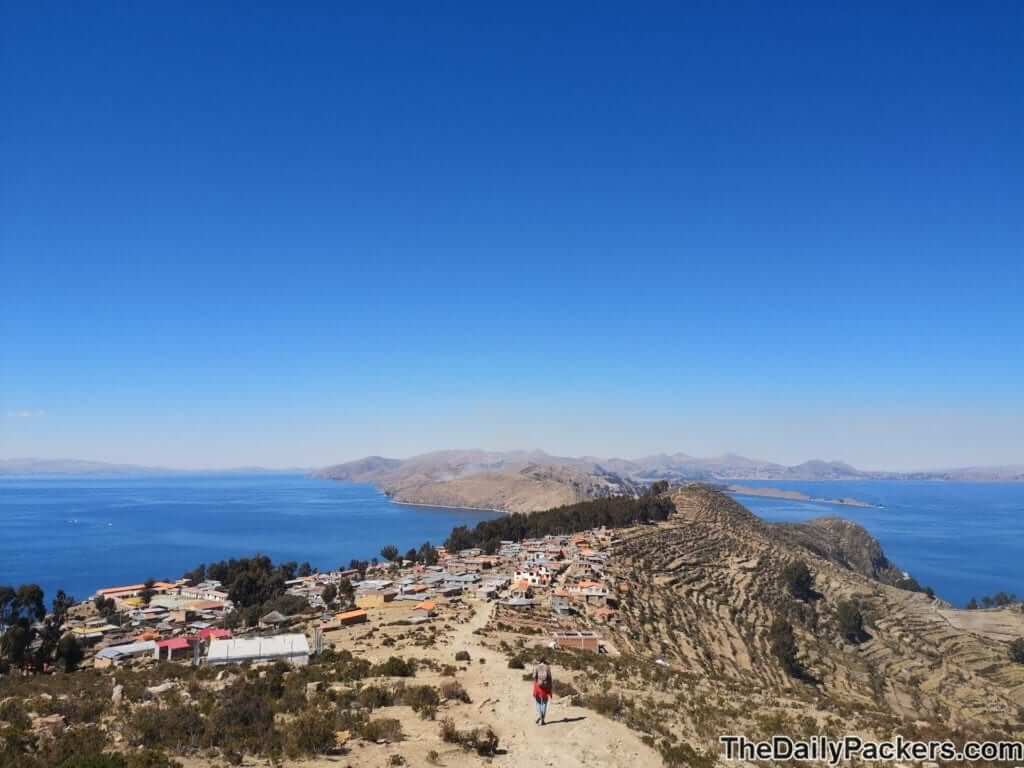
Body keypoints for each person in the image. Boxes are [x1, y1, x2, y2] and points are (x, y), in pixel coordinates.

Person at [532, 656, 552, 725]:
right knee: (544, 703)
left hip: (538, 687)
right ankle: (542, 719)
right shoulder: (548, 667)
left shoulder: (536, 667)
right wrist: (550, 689)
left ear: (539, 661)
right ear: (545, 661)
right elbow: (550, 678)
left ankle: (540, 717)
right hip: (546, 688)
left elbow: (534, 677)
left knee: (538, 703)